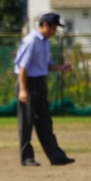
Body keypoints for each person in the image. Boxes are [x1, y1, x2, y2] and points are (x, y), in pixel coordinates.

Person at [14, 12, 75, 167]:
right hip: (28, 83)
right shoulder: (31, 41)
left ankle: (56, 157)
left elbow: (45, 66)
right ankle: (26, 157)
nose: (55, 31)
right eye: (54, 28)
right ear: (46, 25)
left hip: (40, 83)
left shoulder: (45, 42)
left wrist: (60, 68)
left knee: (45, 121)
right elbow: (22, 68)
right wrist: (23, 89)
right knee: (26, 122)